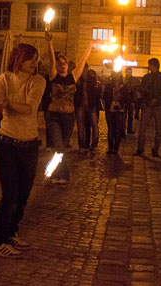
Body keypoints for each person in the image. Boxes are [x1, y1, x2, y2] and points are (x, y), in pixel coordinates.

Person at [0, 43, 46, 258]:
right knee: (10, 194)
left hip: (30, 145)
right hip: (8, 144)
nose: (35, 63)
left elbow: (29, 107)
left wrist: (4, 101)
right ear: (18, 58)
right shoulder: (1, 80)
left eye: (36, 59)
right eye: (31, 58)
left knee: (23, 195)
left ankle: (12, 231)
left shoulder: (38, 81)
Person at [44, 31, 93, 183]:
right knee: (58, 145)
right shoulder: (53, 76)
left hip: (68, 117)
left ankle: (57, 174)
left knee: (62, 147)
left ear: (67, 65)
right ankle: (62, 174)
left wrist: (90, 45)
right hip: (54, 116)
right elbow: (51, 59)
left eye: (64, 63)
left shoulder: (73, 76)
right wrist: (50, 43)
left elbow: (83, 60)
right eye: (60, 63)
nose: (62, 65)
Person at [136, 58, 161, 157]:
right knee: (142, 128)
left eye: (150, 65)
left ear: (154, 65)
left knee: (158, 129)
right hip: (147, 105)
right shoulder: (146, 77)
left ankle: (155, 149)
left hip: (158, 106)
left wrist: (157, 99)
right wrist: (143, 89)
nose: (149, 67)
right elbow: (141, 88)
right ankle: (140, 147)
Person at [78, 69, 102, 151]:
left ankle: (94, 144)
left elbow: (97, 95)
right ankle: (84, 145)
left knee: (93, 125)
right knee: (83, 126)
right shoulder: (80, 82)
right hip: (82, 106)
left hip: (91, 106)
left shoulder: (92, 83)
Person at [103, 72, 126, 154]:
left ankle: (116, 148)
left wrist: (120, 96)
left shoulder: (123, 87)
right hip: (110, 110)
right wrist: (112, 96)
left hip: (119, 111)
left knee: (117, 129)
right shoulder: (109, 86)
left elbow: (126, 98)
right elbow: (104, 96)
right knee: (111, 128)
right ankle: (110, 148)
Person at [123, 67, 139, 134]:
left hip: (131, 100)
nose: (129, 73)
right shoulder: (123, 80)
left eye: (130, 72)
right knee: (123, 116)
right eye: (128, 72)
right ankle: (123, 129)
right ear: (126, 72)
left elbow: (136, 88)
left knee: (130, 116)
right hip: (124, 100)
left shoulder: (134, 80)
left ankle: (129, 129)